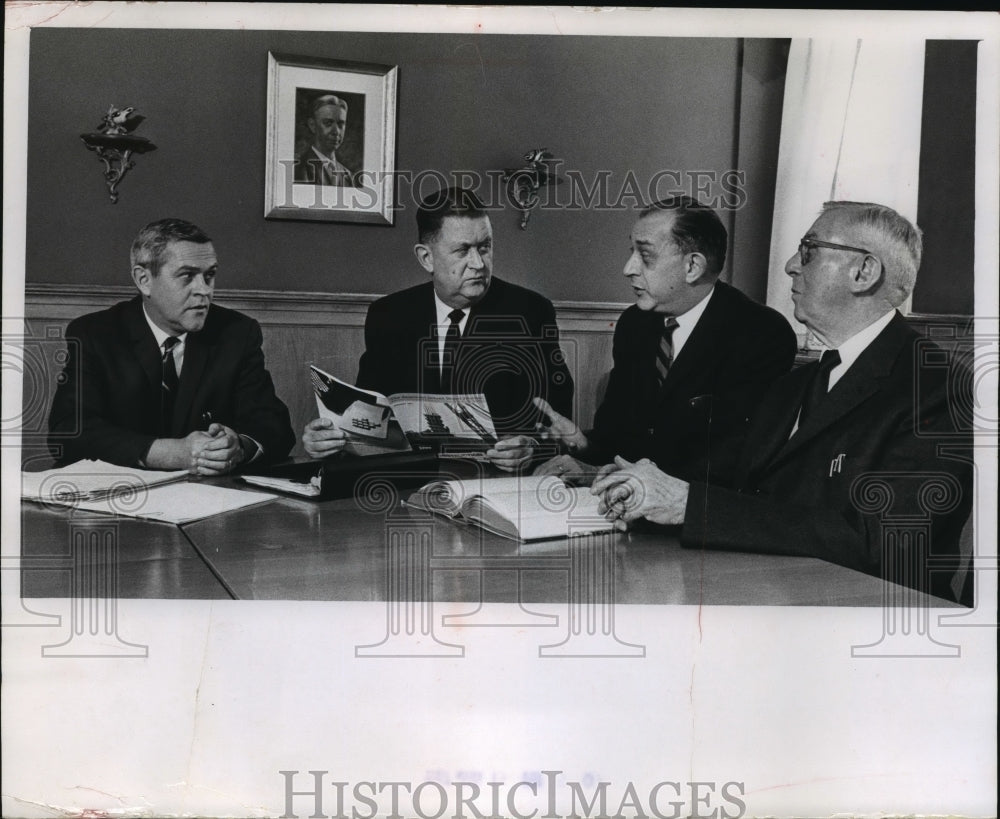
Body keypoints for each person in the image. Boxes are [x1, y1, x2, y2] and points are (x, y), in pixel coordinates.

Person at [591, 201, 974, 605]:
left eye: (809, 251)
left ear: (864, 272)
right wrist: (646, 488)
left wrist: (687, 503)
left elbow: (883, 545)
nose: (790, 266)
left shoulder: (938, 387)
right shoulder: (794, 386)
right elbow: (735, 488)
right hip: (773, 596)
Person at [302, 186, 574, 471]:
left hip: (496, 481)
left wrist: (532, 447)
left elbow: (557, 418)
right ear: (426, 258)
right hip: (408, 479)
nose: (478, 264)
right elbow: (370, 416)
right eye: (462, 250)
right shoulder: (388, 315)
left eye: (484, 247)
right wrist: (331, 440)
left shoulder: (530, 312)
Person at [535, 196, 796, 487]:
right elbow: (614, 436)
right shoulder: (634, 324)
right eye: (632, 252)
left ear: (692, 266)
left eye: (645, 256)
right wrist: (584, 444)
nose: (628, 268)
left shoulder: (761, 334)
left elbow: (732, 464)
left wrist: (623, 480)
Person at [48, 218, 295, 474]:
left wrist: (239, 447)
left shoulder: (237, 333)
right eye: (187, 276)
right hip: (125, 492)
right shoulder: (95, 334)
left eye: (209, 275)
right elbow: (67, 432)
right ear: (144, 280)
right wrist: (169, 453)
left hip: (210, 492)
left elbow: (274, 427)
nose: (204, 291)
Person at [293, 94, 357, 186]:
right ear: (312, 125)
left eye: (340, 124)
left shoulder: (348, 176)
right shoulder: (298, 170)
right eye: (328, 123)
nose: (336, 131)